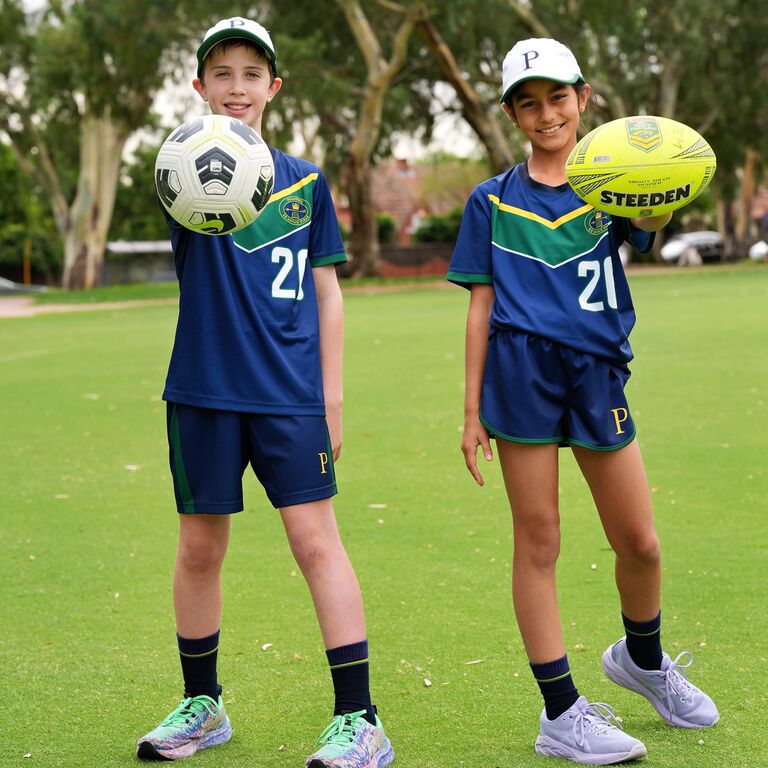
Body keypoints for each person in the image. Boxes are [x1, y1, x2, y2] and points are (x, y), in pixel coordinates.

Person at [448, 38, 718, 764]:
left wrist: (658, 187)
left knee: (641, 542)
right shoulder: (493, 199)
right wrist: (471, 411)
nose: (546, 113)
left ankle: (643, 660)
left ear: (584, 98)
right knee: (539, 544)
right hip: (519, 375)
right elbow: (480, 306)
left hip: (597, 375)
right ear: (511, 112)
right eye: (528, 102)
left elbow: (651, 226)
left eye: (558, 97)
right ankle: (561, 712)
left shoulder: (612, 181)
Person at [136, 17, 393, 768]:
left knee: (317, 544)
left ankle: (360, 718)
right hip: (203, 390)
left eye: (252, 74)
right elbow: (195, 190)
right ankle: (202, 704)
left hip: (288, 396)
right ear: (199, 88)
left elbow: (329, 294)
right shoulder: (181, 169)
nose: (238, 86)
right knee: (198, 547)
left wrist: (332, 396)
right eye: (222, 74)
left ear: (274, 87)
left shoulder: (308, 182)